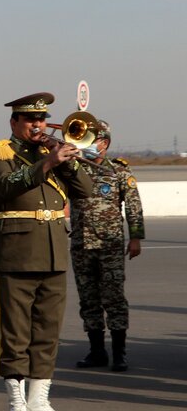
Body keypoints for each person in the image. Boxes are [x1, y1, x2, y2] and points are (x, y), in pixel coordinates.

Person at [0, 93, 94, 411]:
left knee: (47, 331)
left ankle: (39, 400)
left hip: (54, 251)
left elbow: (85, 190)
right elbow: (5, 187)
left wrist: (68, 161)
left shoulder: (52, 153)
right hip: (17, 253)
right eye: (30, 120)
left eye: (42, 119)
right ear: (14, 122)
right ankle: (16, 402)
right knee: (15, 331)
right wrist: (47, 163)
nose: (38, 125)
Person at [70, 120, 144, 371]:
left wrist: (135, 238)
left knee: (113, 299)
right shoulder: (75, 169)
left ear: (105, 143)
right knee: (88, 299)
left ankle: (119, 353)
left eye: (93, 140)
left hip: (109, 244)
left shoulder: (119, 171)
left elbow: (134, 206)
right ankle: (96, 351)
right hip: (81, 243)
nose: (88, 144)